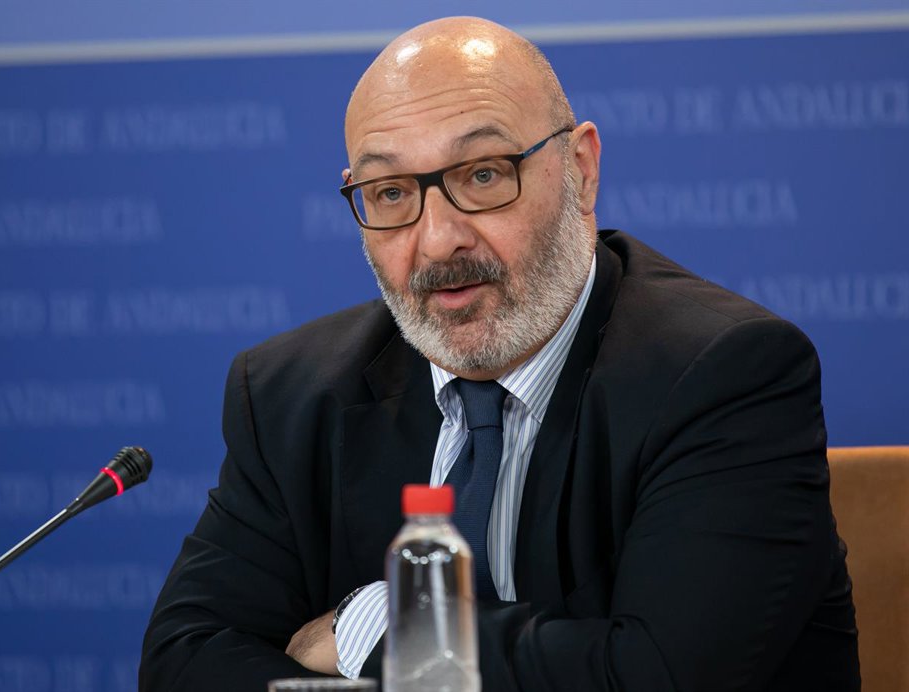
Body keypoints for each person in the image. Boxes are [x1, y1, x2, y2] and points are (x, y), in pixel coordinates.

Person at [140, 16, 860, 691]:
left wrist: (383, 627)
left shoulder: (724, 374)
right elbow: (185, 658)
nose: (437, 240)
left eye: (483, 175)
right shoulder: (289, 395)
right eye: (390, 193)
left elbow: (659, 673)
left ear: (581, 170)